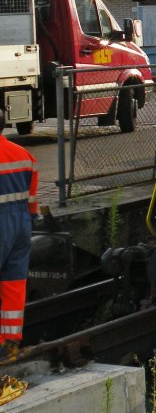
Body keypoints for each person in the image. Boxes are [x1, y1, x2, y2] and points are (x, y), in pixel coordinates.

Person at [0, 133, 37, 366]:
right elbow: (32, 201)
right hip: (21, 224)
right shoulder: (24, 155)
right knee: (13, 283)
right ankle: (10, 344)